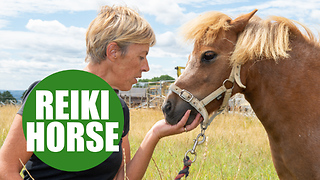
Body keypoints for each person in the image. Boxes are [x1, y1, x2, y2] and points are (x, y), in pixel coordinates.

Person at [0, 5, 202, 180]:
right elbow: (6, 168)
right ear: (113, 51)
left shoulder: (118, 107)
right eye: (141, 56)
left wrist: (154, 134)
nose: (147, 67)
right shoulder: (51, 93)